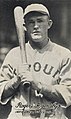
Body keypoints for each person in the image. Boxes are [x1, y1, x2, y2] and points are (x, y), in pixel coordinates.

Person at [0, 3, 71, 119]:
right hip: (20, 115)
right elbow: (1, 93)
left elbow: (68, 95)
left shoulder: (63, 54)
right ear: (24, 26)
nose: (36, 26)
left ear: (49, 24)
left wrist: (38, 85)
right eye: (31, 22)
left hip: (52, 116)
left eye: (40, 21)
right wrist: (16, 80)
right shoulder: (14, 55)